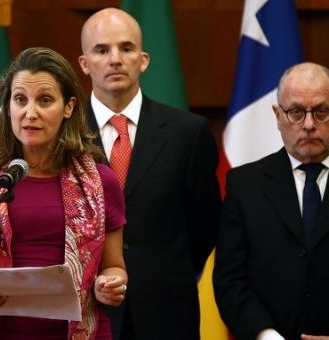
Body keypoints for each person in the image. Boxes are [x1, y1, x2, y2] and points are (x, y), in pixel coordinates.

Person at [0, 47, 128, 340]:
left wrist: (110, 285)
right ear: (7, 107)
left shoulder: (100, 181)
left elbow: (115, 266)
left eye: (45, 100)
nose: (30, 113)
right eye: (20, 100)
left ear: (68, 107)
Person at [213, 62, 329, 340]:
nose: (309, 125)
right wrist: (266, 335)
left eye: (322, 112)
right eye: (296, 112)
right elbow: (230, 278)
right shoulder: (245, 184)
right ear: (278, 116)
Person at [78, 8, 222, 340]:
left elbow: (205, 224)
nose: (115, 59)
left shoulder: (188, 133)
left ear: (143, 60)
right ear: (85, 63)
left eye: (126, 49)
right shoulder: (62, 136)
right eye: (102, 50)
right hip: (84, 310)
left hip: (166, 311)